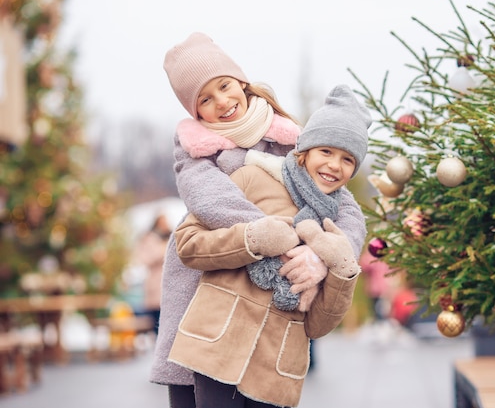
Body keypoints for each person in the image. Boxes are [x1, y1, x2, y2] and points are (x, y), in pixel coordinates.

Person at [149, 32, 367, 408]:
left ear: (241, 82)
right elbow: (214, 201)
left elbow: (342, 205)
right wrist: (282, 240)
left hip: (269, 295)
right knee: (197, 381)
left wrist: (322, 256)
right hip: (206, 277)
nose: (222, 102)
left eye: (224, 86)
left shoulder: (290, 137)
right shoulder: (194, 149)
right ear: (195, 110)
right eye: (205, 99)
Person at [133, 213, 171, 335]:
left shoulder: (170, 236)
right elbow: (144, 258)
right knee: (156, 319)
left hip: (167, 281)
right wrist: (162, 249)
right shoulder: (149, 239)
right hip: (155, 284)